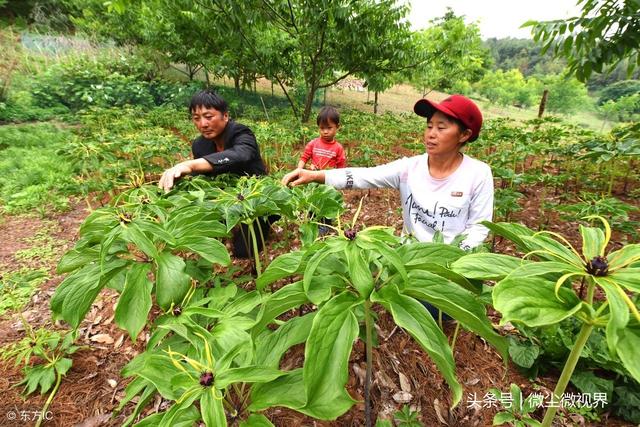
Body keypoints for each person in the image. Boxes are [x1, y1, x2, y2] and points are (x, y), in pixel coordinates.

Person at [281, 94, 494, 251]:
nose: (431, 134)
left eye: (441, 127)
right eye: (429, 126)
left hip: (450, 265)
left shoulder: (478, 174)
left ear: (464, 135)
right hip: (408, 257)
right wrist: (315, 176)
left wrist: (450, 260)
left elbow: (478, 228)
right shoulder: (409, 168)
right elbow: (364, 176)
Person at [158, 89, 272, 258]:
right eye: (196, 118)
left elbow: (241, 155)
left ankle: (263, 227)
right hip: (225, 198)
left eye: (208, 116)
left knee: (243, 251)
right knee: (213, 235)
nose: (203, 124)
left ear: (225, 116)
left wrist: (190, 165)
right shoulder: (199, 145)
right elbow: (203, 181)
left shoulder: (241, 132)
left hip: (257, 198)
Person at [297, 106, 346, 171]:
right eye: (322, 128)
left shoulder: (338, 148)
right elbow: (303, 159)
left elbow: (341, 168)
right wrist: (299, 171)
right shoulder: (313, 144)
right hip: (313, 177)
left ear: (337, 127)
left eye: (329, 128)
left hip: (329, 179)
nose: (325, 132)